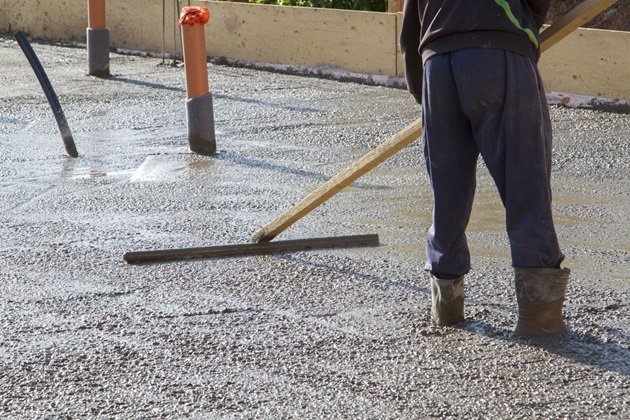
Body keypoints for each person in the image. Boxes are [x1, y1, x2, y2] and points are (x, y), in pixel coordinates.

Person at [399, 0, 570, 336]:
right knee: (525, 183)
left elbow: (408, 37)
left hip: (437, 63)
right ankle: (540, 318)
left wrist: (428, 99)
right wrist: (522, 38)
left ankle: (446, 309)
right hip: (499, 54)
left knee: (447, 192)